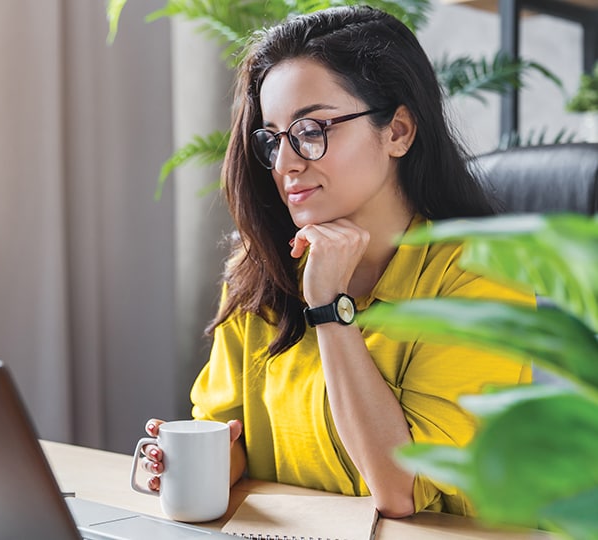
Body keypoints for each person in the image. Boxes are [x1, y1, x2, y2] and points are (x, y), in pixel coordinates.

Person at [139, 5, 533, 519]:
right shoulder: (258, 271)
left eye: (311, 129)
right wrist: (183, 461)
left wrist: (328, 306)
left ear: (398, 132)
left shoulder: (481, 276)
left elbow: (400, 490)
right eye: (273, 137)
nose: (285, 163)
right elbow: (228, 432)